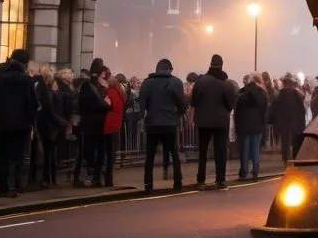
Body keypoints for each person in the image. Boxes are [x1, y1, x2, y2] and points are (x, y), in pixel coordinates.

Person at [0, 47, 36, 197]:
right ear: (24, 64)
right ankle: (12, 187)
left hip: (0, 123)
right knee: (15, 157)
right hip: (20, 125)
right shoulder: (27, 81)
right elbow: (32, 104)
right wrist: (31, 123)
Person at [138, 57, 186, 192]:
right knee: (174, 154)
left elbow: (142, 104)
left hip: (152, 123)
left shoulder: (147, 83)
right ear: (169, 69)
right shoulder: (176, 82)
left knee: (150, 156)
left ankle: (148, 184)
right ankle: (177, 183)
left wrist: (144, 117)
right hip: (170, 123)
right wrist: (177, 115)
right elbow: (182, 104)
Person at [190, 54, 236, 189]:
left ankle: (201, 179)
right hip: (221, 122)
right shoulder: (227, 83)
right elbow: (230, 104)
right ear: (222, 65)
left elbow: (194, 101)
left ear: (210, 64)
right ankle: (220, 179)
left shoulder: (201, 81)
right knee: (220, 150)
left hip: (203, 121)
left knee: (202, 151)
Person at [77, 58, 111, 188]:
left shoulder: (96, 86)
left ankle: (97, 177)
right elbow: (98, 103)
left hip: (98, 124)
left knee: (100, 152)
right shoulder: (88, 86)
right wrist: (107, 105)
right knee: (90, 153)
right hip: (91, 124)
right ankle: (90, 177)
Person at [34, 66, 68, 189]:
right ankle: (47, 178)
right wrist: (61, 121)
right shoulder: (43, 89)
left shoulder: (47, 88)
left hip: (50, 124)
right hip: (47, 124)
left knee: (51, 153)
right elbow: (48, 108)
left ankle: (50, 178)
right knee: (48, 153)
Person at [234, 74, 267, 180]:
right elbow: (264, 110)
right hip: (257, 124)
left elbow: (237, 110)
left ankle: (243, 171)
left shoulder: (242, 92)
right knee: (255, 148)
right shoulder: (262, 93)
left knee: (244, 149)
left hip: (244, 124)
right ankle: (255, 170)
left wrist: (237, 125)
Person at [268, 74, 306, 162]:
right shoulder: (296, 94)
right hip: (295, 122)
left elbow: (274, 109)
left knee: (285, 143)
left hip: (283, 123)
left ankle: (285, 160)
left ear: (284, 83)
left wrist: (272, 120)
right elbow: (302, 109)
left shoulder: (280, 94)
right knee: (294, 142)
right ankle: (294, 159)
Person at [101, 67, 127, 187]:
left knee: (106, 152)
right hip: (117, 123)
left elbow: (108, 107)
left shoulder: (109, 92)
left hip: (109, 123)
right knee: (112, 152)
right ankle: (109, 179)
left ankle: (107, 178)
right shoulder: (120, 93)